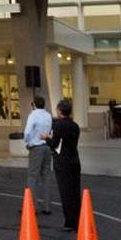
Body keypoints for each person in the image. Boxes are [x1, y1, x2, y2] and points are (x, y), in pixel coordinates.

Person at [42, 98, 81, 231]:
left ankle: (70, 222)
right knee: (75, 191)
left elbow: (54, 143)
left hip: (62, 162)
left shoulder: (57, 125)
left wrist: (46, 138)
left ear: (59, 111)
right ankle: (78, 218)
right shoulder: (75, 126)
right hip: (74, 159)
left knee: (65, 192)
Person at [23, 96, 53, 214]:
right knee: (46, 176)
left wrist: (28, 142)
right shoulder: (48, 115)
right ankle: (46, 206)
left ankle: (32, 206)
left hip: (36, 147)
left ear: (34, 104)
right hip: (47, 147)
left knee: (32, 177)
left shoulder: (33, 115)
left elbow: (27, 132)